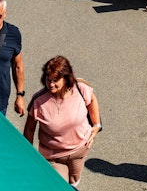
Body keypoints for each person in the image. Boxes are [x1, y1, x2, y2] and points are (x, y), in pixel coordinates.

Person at [23, 55, 101, 186]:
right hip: (53, 156)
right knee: (59, 185)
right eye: (48, 80)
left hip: (79, 151)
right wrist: (29, 155)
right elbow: (29, 129)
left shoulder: (80, 88)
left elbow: (92, 100)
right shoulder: (39, 100)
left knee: (74, 181)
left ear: (65, 79)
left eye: (55, 80)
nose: (51, 84)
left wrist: (97, 124)